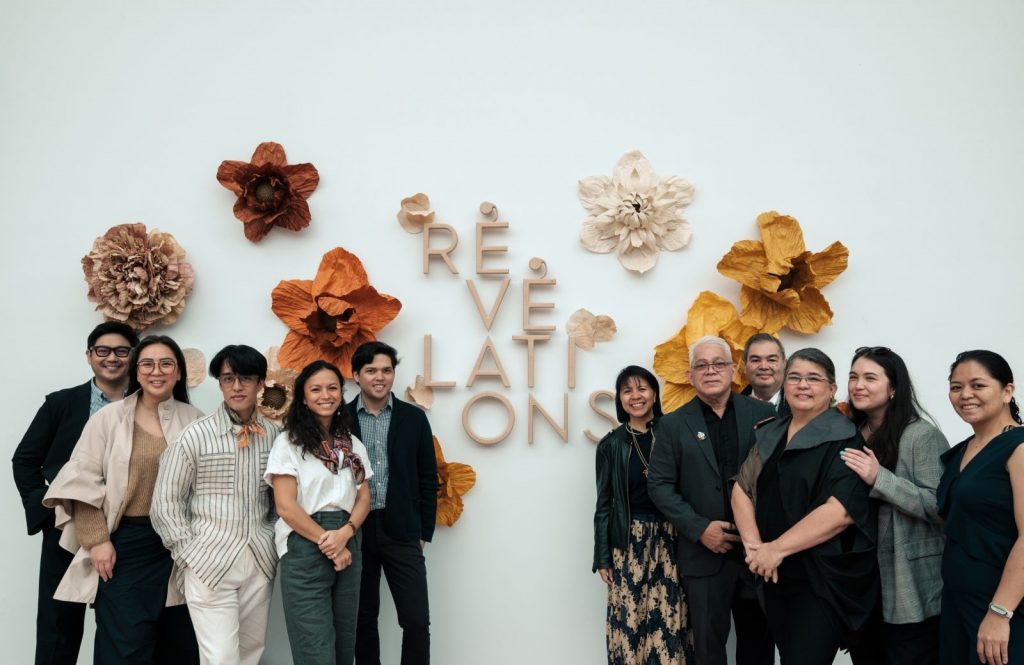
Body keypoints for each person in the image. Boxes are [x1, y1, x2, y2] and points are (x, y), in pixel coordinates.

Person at [42, 335, 203, 664]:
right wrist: (97, 540)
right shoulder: (107, 419)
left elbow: (210, 489)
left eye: (166, 363)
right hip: (124, 547)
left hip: (181, 549)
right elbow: (81, 482)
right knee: (124, 646)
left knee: (179, 645)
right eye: (147, 363)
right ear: (136, 371)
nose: (156, 371)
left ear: (178, 373)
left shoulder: (197, 421)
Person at [731, 348, 878, 665]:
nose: (803, 385)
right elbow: (742, 488)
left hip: (819, 580)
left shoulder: (846, 439)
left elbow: (840, 511)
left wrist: (777, 549)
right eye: (795, 377)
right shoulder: (771, 433)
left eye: (814, 379)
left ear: (832, 389)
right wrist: (755, 547)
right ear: (784, 384)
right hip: (771, 576)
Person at [12, 321, 139, 665]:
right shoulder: (61, 403)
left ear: (133, 356)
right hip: (67, 525)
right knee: (58, 623)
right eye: (103, 351)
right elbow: (25, 460)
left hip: (125, 529)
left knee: (122, 625)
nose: (111, 358)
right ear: (89, 356)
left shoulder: (148, 402)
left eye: (121, 351)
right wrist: (46, 510)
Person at [648, 335, 776, 665]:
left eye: (718, 363)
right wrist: (700, 528)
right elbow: (659, 486)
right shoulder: (672, 425)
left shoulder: (766, 414)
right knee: (707, 649)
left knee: (759, 645)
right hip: (704, 555)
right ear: (691, 376)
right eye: (701, 365)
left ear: (733, 370)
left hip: (758, 553)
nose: (710, 371)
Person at [151, 345, 280, 665]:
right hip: (207, 563)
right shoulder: (194, 435)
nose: (237, 386)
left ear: (261, 383)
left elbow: (282, 499)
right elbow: (164, 503)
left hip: (259, 561)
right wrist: (189, 555)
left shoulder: (275, 435)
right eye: (228, 378)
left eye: (246, 378)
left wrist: (272, 541)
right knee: (221, 658)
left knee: (250, 653)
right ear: (219, 383)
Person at [841, 346, 947, 664]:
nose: (858, 385)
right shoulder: (848, 432)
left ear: (893, 388)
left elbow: (938, 506)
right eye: (853, 377)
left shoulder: (921, 436)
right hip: (861, 582)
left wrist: (880, 478)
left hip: (908, 584)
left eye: (870, 378)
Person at [266, 360, 373, 665]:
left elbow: (364, 496)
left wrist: (346, 534)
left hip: (348, 536)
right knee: (315, 648)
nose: (325, 395)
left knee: (343, 645)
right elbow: (285, 506)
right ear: (303, 397)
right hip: (305, 543)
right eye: (316, 389)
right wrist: (328, 542)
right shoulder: (289, 443)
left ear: (341, 393)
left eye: (332, 388)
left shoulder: (351, 444)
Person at [347, 341, 438, 665]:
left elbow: (428, 477)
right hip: (356, 530)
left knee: (415, 620)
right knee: (362, 619)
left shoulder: (413, 418)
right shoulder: (340, 418)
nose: (380, 377)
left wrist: (424, 531)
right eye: (371, 370)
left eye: (387, 370)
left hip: (402, 530)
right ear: (356, 375)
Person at [594, 365, 692, 664]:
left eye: (642, 388)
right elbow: (604, 504)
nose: (635, 396)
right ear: (620, 400)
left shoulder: (675, 432)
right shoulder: (611, 444)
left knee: (670, 621)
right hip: (629, 541)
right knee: (630, 622)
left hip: (673, 537)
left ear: (654, 393)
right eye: (627, 390)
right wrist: (602, 557)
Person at [938, 350, 1024, 665]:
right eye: (956, 386)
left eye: (978, 385)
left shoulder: (1019, 448)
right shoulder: (963, 450)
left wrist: (1000, 612)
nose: (965, 395)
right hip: (957, 601)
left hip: (1001, 607)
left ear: (1007, 391)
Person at [740, 333, 787, 413]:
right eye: (755, 360)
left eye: (772, 360)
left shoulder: (800, 407)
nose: (764, 367)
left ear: (785, 364)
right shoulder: (731, 410)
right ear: (745, 366)